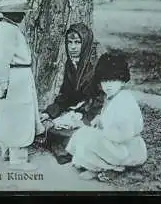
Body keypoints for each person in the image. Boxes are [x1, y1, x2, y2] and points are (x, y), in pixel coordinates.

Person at [65, 52, 148, 180]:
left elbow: (124, 132)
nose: (108, 85)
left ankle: (111, 168)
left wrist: (103, 132)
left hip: (128, 148)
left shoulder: (125, 100)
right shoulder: (112, 97)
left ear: (122, 80)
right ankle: (98, 165)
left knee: (90, 138)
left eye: (113, 80)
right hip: (116, 143)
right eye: (105, 80)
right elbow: (108, 118)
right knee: (83, 134)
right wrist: (100, 122)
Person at [0, 0, 44, 171]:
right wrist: (3, 82)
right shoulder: (7, 31)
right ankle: (18, 158)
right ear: (11, 13)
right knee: (18, 114)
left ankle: (8, 149)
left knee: (13, 113)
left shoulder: (9, 28)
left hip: (20, 76)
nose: (23, 15)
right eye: (20, 12)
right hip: (15, 78)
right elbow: (2, 60)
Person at [39, 23, 105, 165]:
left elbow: (101, 98)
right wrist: (50, 112)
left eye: (77, 42)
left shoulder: (96, 65)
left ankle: (69, 149)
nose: (73, 47)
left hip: (95, 112)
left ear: (85, 43)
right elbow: (66, 96)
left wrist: (84, 118)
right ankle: (66, 146)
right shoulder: (71, 64)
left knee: (75, 134)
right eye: (70, 42)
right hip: (79, 110)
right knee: (49, 128)